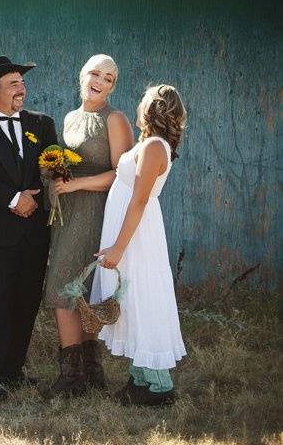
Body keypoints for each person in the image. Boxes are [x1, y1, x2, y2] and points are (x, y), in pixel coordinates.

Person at [40, 54, 134, 399]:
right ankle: (86, 372)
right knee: (76, 284)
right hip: (66, 211)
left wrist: (77, 185)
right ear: (83, 75)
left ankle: (73, 377)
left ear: (112, 86)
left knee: (66, 283)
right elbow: (69, 162)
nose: (100, 82)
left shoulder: (115, 119)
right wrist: (57, 175)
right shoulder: (70, 118)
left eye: (108, 78)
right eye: (96, 73)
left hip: (97, 210)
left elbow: (122, 175)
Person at [0, 55, 57, 401]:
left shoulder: (42, 123)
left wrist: (47, 185)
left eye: (22, 82)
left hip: (35, 230)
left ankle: (14, 370)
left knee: (27, 300)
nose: (22, 88)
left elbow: (52, 162)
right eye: (13, 83)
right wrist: (13, 198)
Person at [91, 84, 187, 406]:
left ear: (150, 110)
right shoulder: (148, 144)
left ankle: (159, 387)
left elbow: (141, 199)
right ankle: (139, 379)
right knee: (130, 299)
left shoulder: (155, 148)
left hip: (136, 237)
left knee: (142, 300)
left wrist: (118, 247)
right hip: (127, 231)